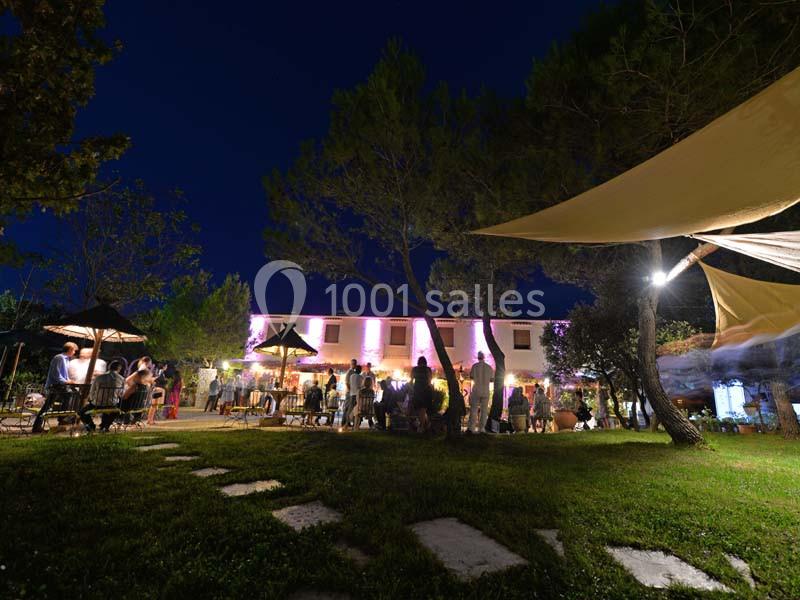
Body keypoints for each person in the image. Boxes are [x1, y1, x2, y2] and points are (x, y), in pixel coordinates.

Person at [32, 342, 79, 433]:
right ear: (70, 349)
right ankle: (38, 426)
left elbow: (63, 375)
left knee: (69, 396)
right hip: (55, 386)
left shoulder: (65, 359)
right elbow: (56, 374)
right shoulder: (59, 358)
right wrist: (67, 381)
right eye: (74, 350)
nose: (74, 352)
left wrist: (69, 380)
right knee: (48, 406)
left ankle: (62, 418)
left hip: (59, 385)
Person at [79, 360, 125, 432]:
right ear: (119, 369)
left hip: (97, 404)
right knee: (115, 410)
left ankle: (91, 426)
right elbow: (121, 394)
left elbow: (92, 392)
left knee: (81, 412)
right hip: (112, 404)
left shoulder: (99, 377)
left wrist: (92, 400)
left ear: (109, 367)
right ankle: (104, 426)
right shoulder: (122, 379)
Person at [468, 352, 494, 434]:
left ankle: (471, 428)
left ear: (478, 357)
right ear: (484, 357)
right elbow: (492, 379)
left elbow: (471, 377)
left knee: (474, 409)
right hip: (485, 390)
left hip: (476, 390)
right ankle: (482, 428)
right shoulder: (489, 367)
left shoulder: (474, 366)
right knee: (484, 410)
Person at [410, 356, 433, 433]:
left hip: (417, 391)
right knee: (423, 409)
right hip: (426, 391)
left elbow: (411, 380)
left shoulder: (415, 369)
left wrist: (410, 389)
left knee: (419, 409)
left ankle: (422, 426)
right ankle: (425, 425)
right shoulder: (428, 369)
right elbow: (430, 380)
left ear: (418, 362)